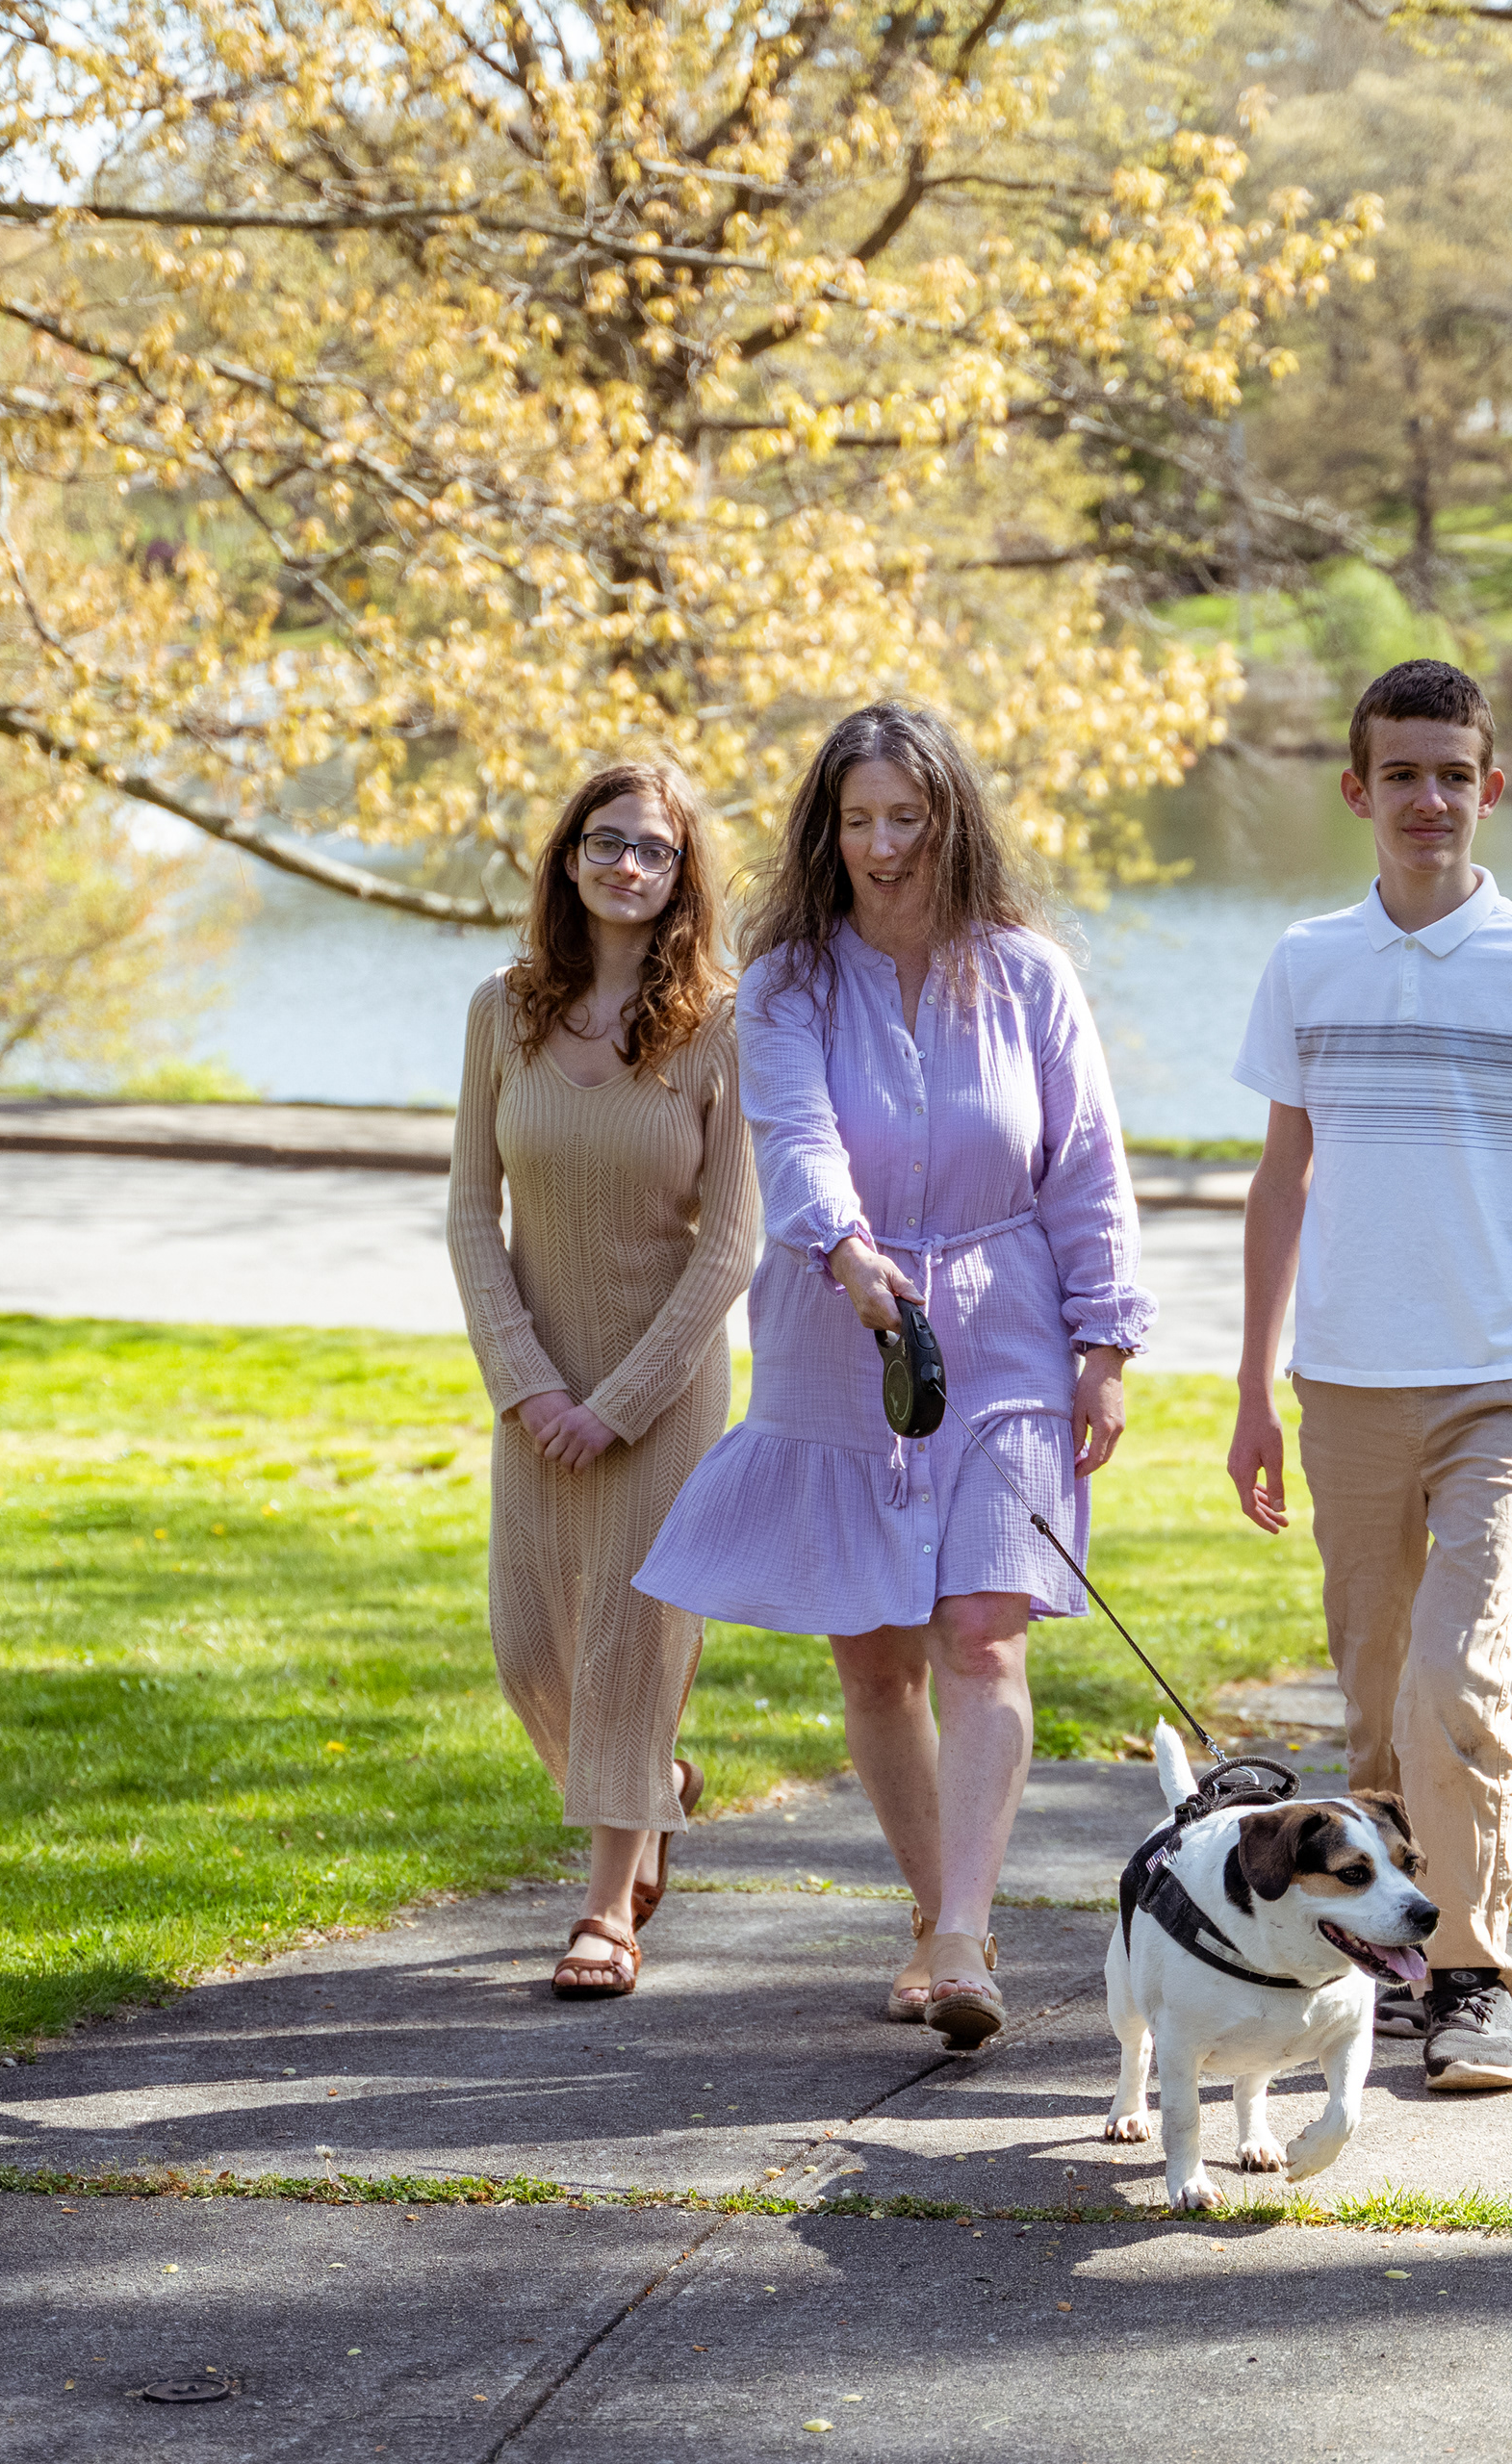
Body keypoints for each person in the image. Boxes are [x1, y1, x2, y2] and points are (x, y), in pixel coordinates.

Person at [638, 703, 1152, 2051]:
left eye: (906, 821)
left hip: (1007, 1336)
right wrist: (845, 1251)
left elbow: (1087, 1167)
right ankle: (938, 1912)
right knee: (875, 1660)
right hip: (835, 1328)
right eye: (858, 822)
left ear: (951, 825)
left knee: (982, 1631)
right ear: (828, 832)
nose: (881, 847)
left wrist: (1105, 1346)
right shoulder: (790, 984)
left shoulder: (1030, 976)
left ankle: (967, 1935)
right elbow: (796, 1137)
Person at [1222, 656, 1512, 2095]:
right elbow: (1279, 1185)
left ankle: (1472, 1976)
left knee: (1454, 1684)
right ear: (1357, 791)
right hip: (1343, 1387)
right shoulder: (1307, 962)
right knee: (1374, 1696)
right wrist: (1251, 1392)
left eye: (1451, 772)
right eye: (1399, 773)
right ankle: (1378, 1965)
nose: (1427, 798)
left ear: (1490, 786)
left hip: (1502, 1388)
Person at [448, 760, 761, 2001]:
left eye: (656, 850)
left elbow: (735, 1238)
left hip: (663, 1387)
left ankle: (603, 1912)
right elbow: (474, 1210)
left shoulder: (720, 1024)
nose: (628, 865)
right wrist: (526, 1385)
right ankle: (656, 1787)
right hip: (537, 1384)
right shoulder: (502, 1011)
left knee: (629, 1647)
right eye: (606, 841)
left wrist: (618, 1404)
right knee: (530, 1648)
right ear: (567, 857)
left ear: (684, 879)